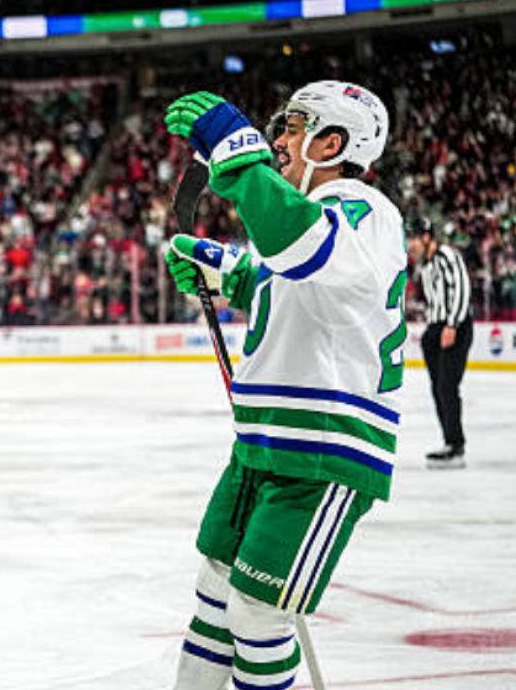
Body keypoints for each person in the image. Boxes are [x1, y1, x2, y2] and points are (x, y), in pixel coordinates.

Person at [162, 82, 405, 689]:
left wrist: (238, 155)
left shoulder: (363, 210)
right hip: (262, 447)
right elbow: (283, 283)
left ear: (334, 143)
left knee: (257, 615)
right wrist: (225, 269)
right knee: (215, 595)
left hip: (323, 453)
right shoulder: (315, 223)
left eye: (293, 128)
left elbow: (306, 249)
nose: (278, 141)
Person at [407, 219, 472, 468]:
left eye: (414, 238)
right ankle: (449, 442)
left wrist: (452, 324)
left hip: (453, 325)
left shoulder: (446, 255)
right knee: (438, 388)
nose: (410, 244)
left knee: (447, 386)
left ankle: (456, 445)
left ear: (426, 237)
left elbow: (462, 288)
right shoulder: (424, 265)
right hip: (435, 328)